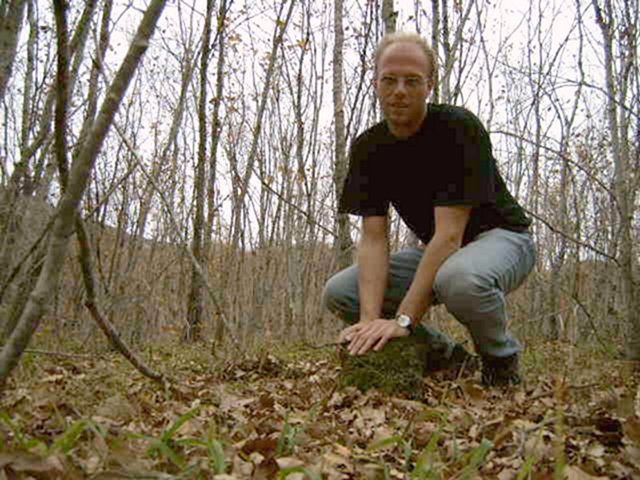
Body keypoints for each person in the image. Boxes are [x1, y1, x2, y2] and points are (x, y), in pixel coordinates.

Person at [322, 32, 536, 387]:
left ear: (430, 85)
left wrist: (404, 319)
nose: (400, 90)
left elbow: (450, 235)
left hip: (502, 240)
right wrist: (370, 320)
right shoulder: (369, 148)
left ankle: (500, 361)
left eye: (412, 80)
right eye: (389, 80)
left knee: (461, 279)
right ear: (376, 83)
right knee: (341, 291)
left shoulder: (457, 129)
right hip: (440, 250)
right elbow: (374, 239)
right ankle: (445, 355)